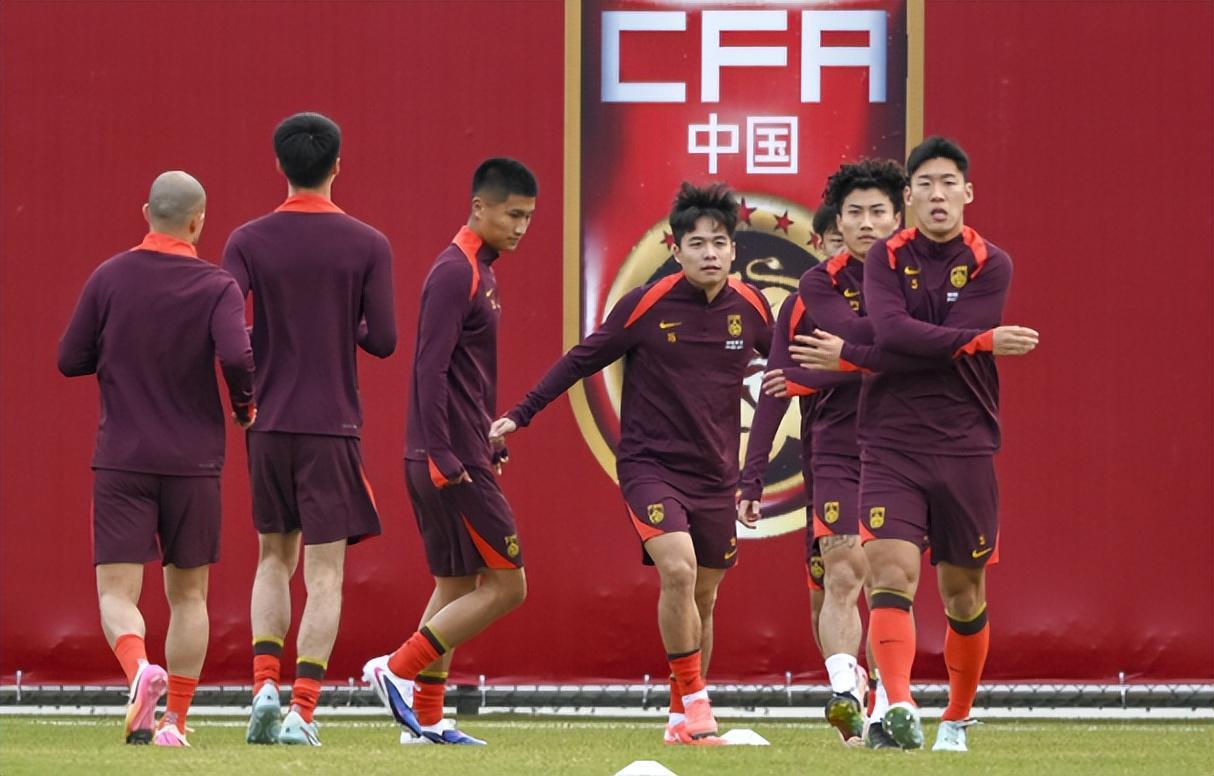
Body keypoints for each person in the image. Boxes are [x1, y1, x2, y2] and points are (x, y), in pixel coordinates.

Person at [488, 183, 772, 746]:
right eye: (697, 244)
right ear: (677, 249)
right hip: (650, 467)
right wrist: (520, 414)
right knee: (679, 571)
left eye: (719, 243)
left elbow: (788, 374)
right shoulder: (646, 304)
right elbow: (581, 360)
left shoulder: (754, 308)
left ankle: (679, 719)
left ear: (734, 251)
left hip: (717, 475)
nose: (709, 253)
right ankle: (698, 704)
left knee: (704, 596)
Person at [792, 137, 1039, 751]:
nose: (937, 194)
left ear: (967, 192)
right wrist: (979, 342)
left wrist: (856, 355)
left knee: (963, 594)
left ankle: (956, 716)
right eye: (924, 183)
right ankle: (897, 704)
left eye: (947, 182)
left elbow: (905, 339)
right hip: (889, 441)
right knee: (890, 575)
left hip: (965, 443)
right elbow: (898, 332)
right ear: (910, 196)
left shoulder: (992, 262)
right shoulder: (885, 259)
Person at [58, 171, 255, 748]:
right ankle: (175, 723)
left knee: (117, 594)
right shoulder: (218, 286)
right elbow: (237, 355)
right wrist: (244, 407)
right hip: (194, 461)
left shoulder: (109, 277)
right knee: (189, 596)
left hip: (123, 458)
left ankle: (139, 669)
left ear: (146, 213)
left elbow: (70, 358)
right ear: (198, 221)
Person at [222, 112, 397, 746]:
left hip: (268, 423)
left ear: (280, 165)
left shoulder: (247, 239)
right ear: (337, 165)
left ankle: (263, 688)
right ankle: (301, 709)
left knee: (272, 557)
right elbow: (384, 340)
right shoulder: (368, 243)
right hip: (332, 424)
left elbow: (227, 330)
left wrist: (254, 368)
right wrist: (339, 324)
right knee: (325, 574)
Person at [741, 159, 926, 746]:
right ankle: (847, 690)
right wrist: (750, 477)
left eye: (878, 212)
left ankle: (888, 704)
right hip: (838, 452)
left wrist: (821, 373)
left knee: (889, 582)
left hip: (905, 450)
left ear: (898, 218)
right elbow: (778, 384)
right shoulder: (815, 290)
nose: (866, 223)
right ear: (834, 226)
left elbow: (908, 360)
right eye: (855, 213)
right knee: (840, 572)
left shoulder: (920, 282)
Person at [361, 158, 537, 746]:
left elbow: (463, 376)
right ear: (479, 207)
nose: (520, 227)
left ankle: (426, 720)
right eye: (512, 214)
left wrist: (488, 433)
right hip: (449, 462)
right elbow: (428, 369)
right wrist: (442, 453)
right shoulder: (454, 271)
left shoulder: (480, 271)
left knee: (457, 584)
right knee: (509, 586)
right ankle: (397, 669)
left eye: (528, 217)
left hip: (459, 450)